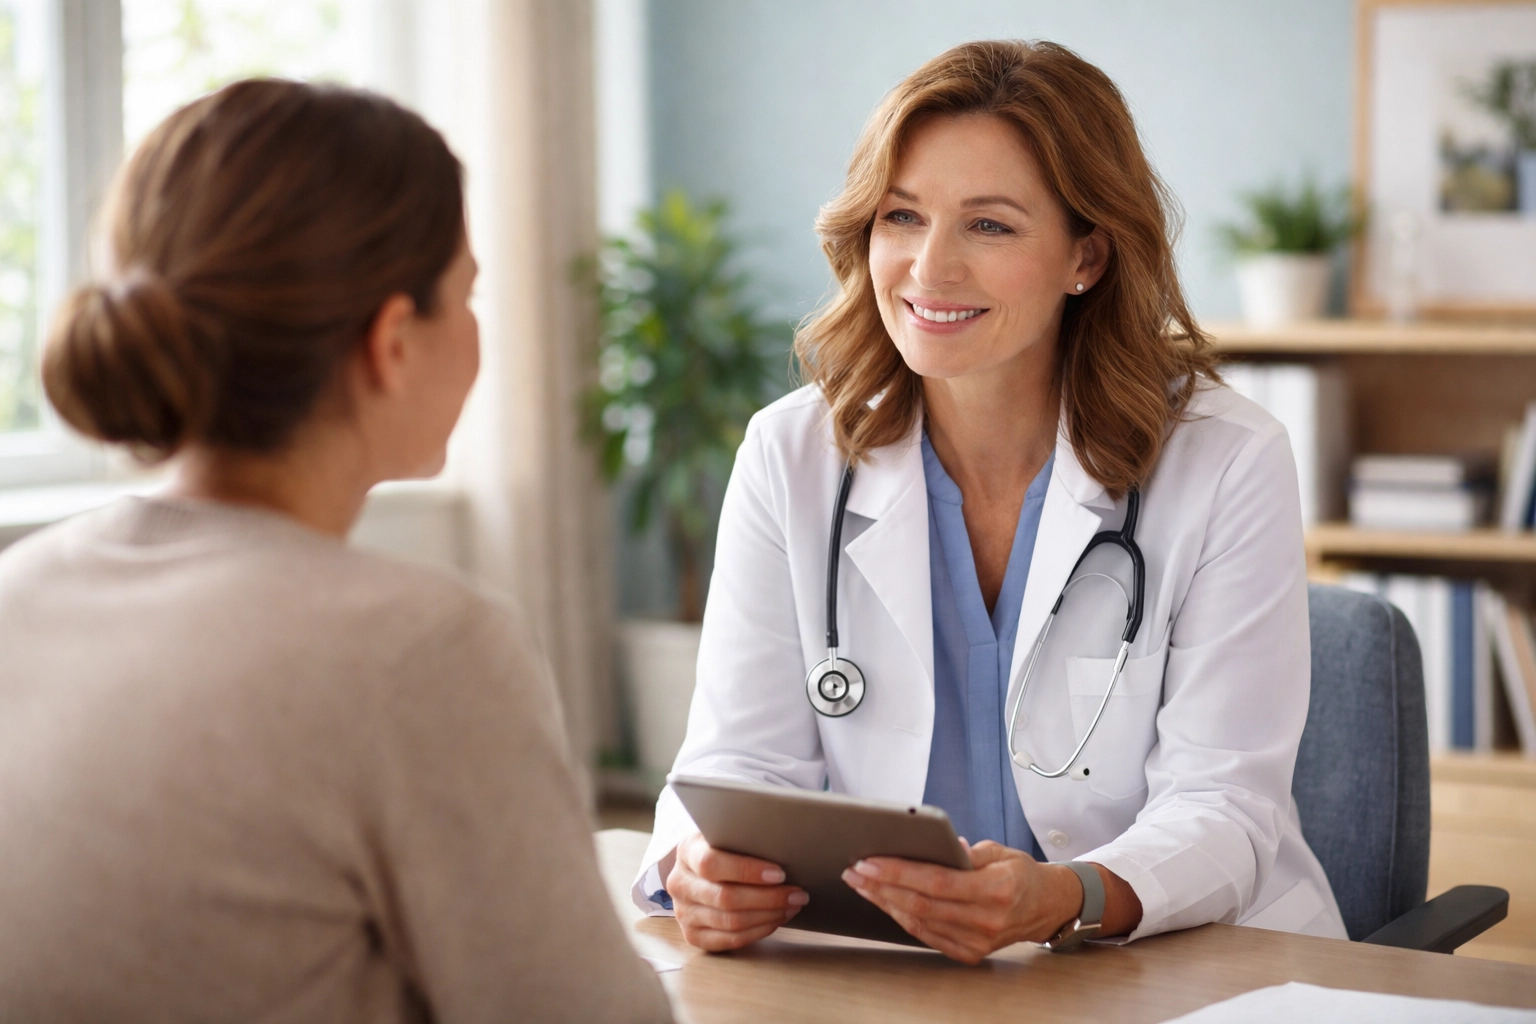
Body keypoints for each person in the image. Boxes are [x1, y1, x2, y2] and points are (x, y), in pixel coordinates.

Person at [631, 39, 1347, 963]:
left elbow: (1226, 807)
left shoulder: (1226, 458)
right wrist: (701, 870)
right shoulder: (792, 453)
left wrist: (1065, 896)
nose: (929, 270)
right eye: (902, 216)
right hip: (895, 973)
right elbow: (735, 765)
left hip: (1176, 966)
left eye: (990, 226)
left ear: (1086, 256)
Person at [0, 79, 672, 1023]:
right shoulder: (421, 649)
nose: (476, 327)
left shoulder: (17, 590)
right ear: (392, 342)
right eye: (466, 293)